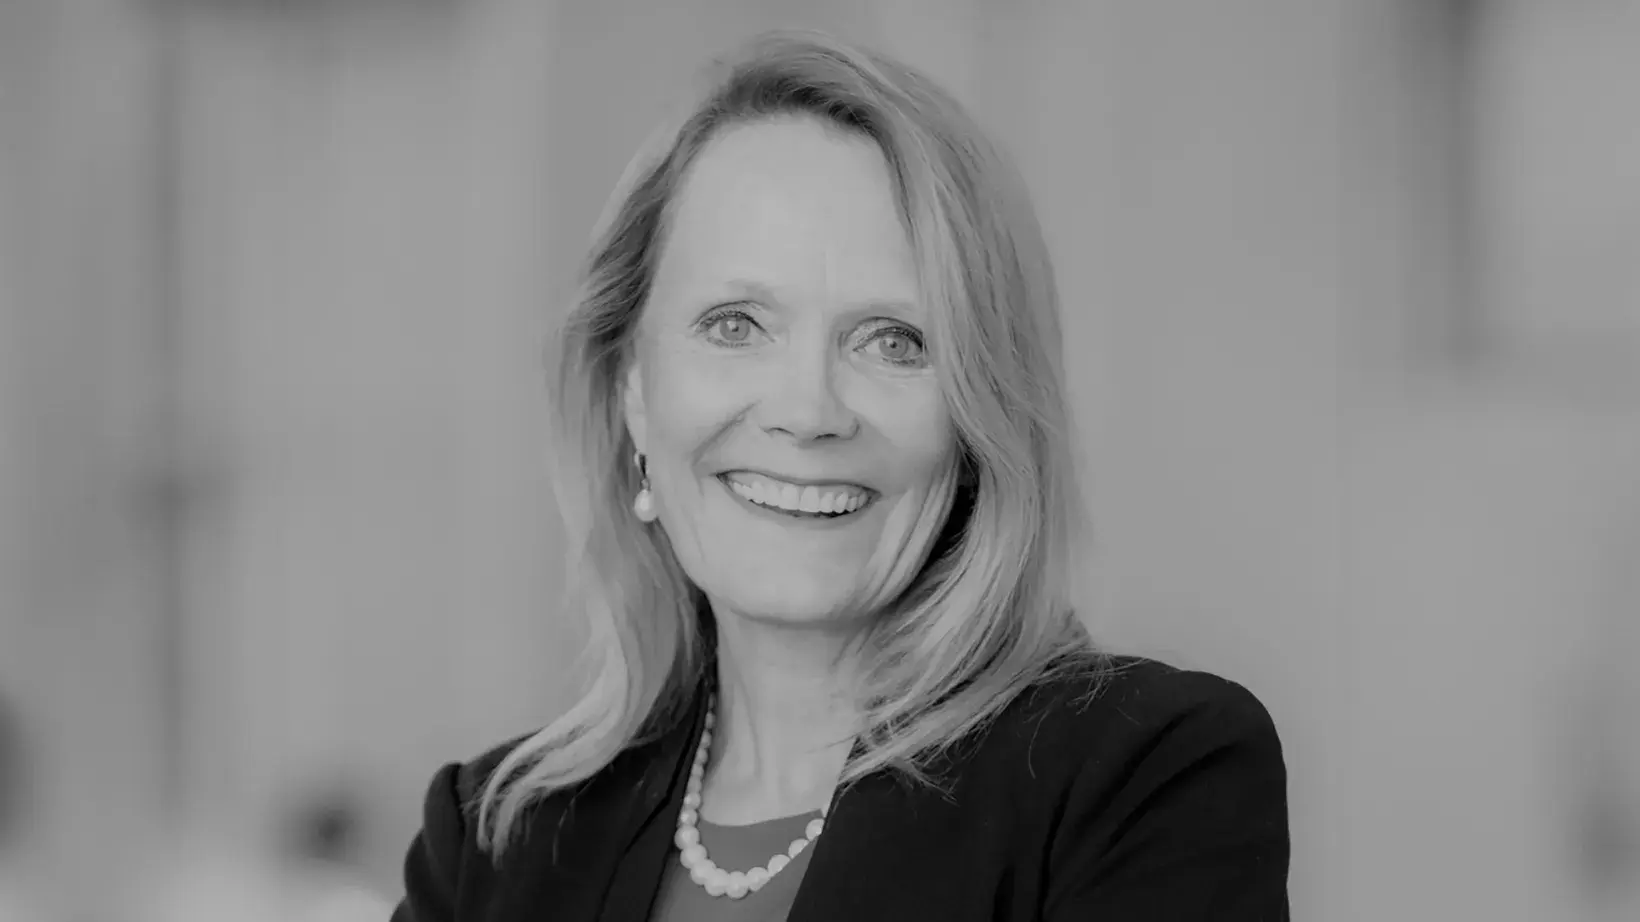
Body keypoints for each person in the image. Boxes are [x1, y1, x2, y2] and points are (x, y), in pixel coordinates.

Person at [393, 29, 1289, 922]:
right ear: (633, 389)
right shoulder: (493, 843)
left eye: (893, 341)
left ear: (980, 416)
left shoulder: (1141, 778)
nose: (808, 408)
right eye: (735, 325)